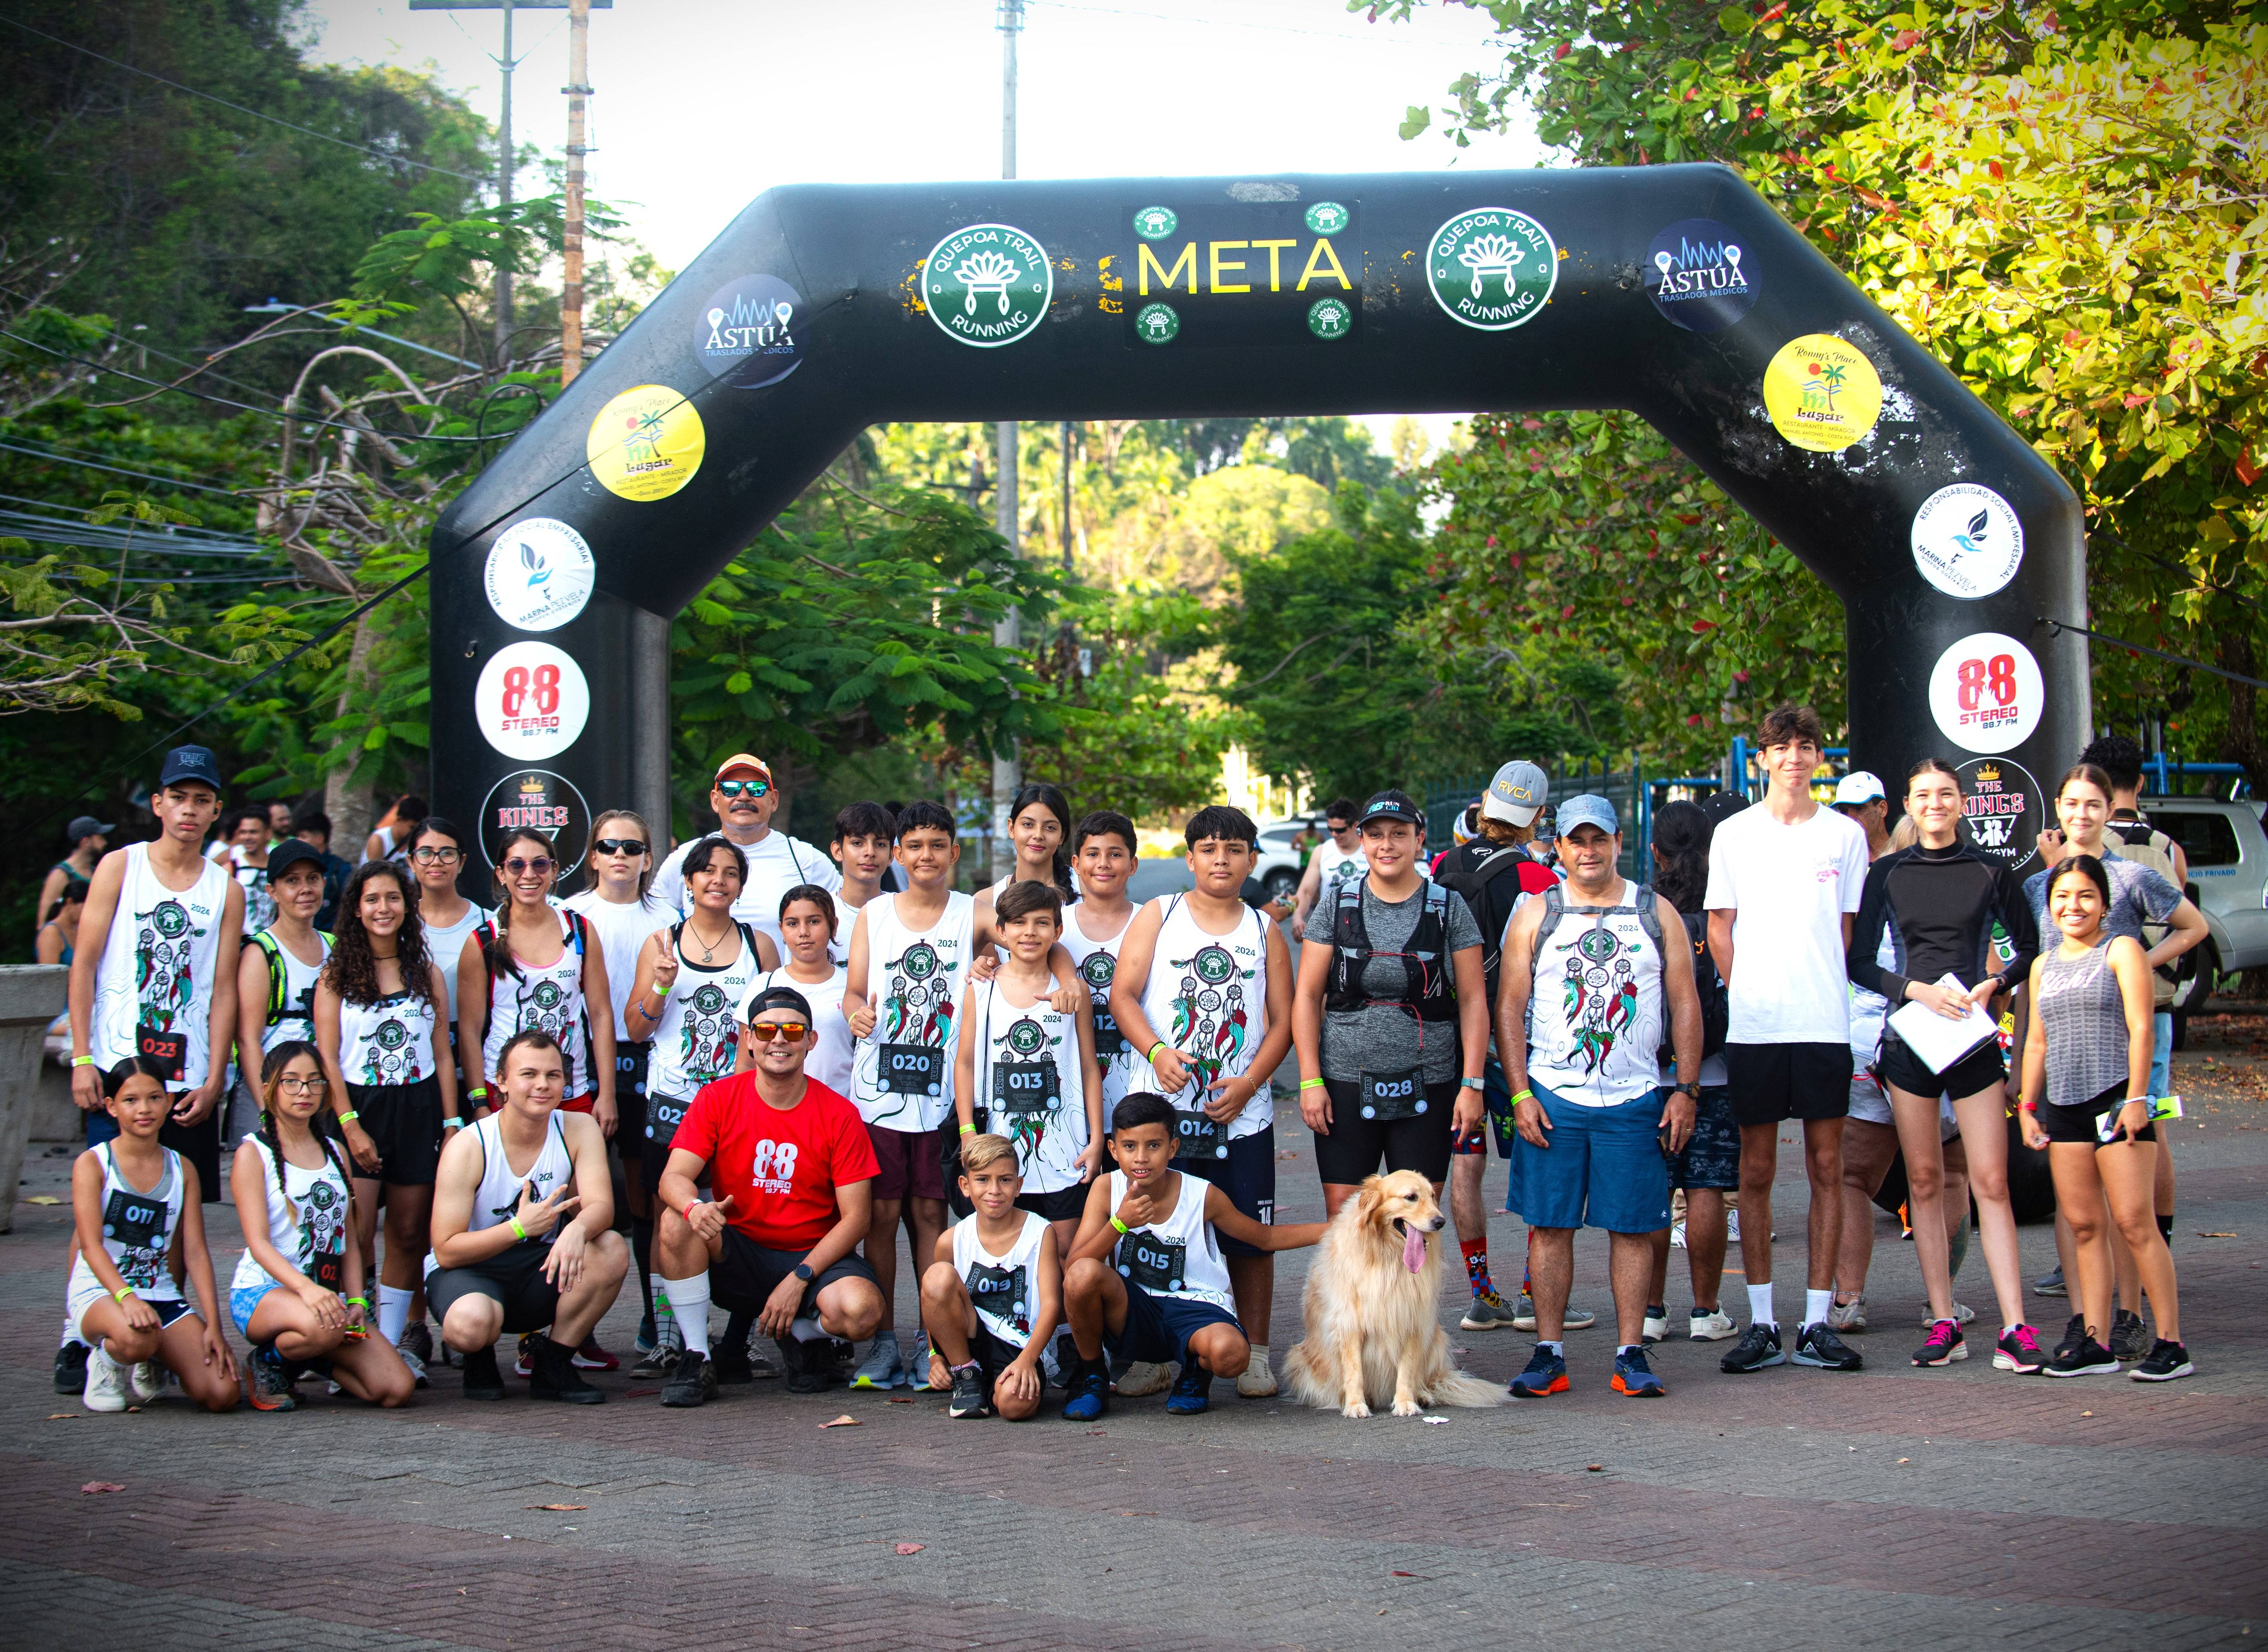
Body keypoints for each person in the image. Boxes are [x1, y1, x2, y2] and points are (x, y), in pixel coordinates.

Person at [840, 800, 1076, 1391]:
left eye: (938, 845)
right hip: (878, 1095)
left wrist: (1070, 979)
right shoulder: (874, 913)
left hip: (943, 1097)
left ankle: (933, 1342)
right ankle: (883, 1343)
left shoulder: (974, 910)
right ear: (898, 854)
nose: (926, 856)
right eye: (915, 846)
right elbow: (852, 991)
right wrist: (857, 1013)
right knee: (880, 1217)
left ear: (955, 851)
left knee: (930, 1215)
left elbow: (1039, 938)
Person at [1496, 795, 1700, 1400]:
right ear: (1558, 847)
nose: (1589, 852)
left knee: (1632, 1229)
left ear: (1618, 843)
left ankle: (1630, 1353)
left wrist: (1686, 1090)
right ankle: (1549, 1354)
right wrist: (1519, 1093)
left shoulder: (1655, 912)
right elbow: (1509, 1006)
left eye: (1599, 839)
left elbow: (1685, 1002)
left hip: (1636, 1098)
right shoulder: (1536, 914)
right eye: (1577, 841)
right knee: (1549, 1227)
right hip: (1553, 1096)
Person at [1847, 759, 2043, 1370]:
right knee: (1925, 1181)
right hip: (1911, 1040)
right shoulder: (1886, 873)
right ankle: (1944, 1321)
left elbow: (2031, 948)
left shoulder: (1991, 870)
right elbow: (1859, 963)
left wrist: (1993, 985)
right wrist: (1916, 992)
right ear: (1908, 804)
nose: (1935, 804)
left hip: (1973, 1041)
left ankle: (2016, 1327)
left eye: (1946, 794)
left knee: (1992, 1183)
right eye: (1924, 795)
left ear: (1962, 803)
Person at [1705, 704, 1871, 1375]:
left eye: (1806, 746)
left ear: (1819, 758)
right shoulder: (1734, 834)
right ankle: (1764, 1324)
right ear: (1763, 759)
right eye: (1783, 747)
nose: (1794, 757)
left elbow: (1847, 931)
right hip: (1757, 1027)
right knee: (1756, 1172)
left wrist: (1818, 985)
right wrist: (1747, 991)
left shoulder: (1846, 836)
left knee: (1828, 1168)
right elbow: (1719, 927)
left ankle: (1817, 1323)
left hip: (1824, 1023)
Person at [1110, 804, 1296, 1399]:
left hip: (1239, 1118)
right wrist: (1157, 1050)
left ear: (1251, 860)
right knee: (1153, 1230)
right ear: (1190, 858)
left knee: (1248, 1235)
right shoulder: (1159, 914)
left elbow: (1284, 1022)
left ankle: (1257, 1352)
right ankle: (1153, 1355)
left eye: (1234, 849)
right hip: (1162, 1118)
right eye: (1210, 849)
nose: (1222, 859)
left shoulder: (1264, 931)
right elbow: (1122, 995)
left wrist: (1249, 1084)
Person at [2026, 762, 2206, 1355]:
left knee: (2131, 1211)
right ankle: (2089, 1324)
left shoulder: (2131, 878)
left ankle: (2135, 1317)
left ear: (2110, 810)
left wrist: (2134, 970)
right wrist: (2025, 1091)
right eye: (2071, 803)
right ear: (2057, 808)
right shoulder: (2041, 885)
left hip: (2121, 1051)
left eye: (2093, 804)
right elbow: (2033, 982)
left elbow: (2193, 928)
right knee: (2080, 1213)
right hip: (2065, 1057)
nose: (2081, 814)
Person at [653, 985, 888, 1406]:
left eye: (793, 1031)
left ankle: (800, 1333)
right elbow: (673, 1178)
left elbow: (857, 1219)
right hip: (738, 1251)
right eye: (766, 1030)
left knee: (863, 1311)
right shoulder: (716, 1098)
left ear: (811, 1041)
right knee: (675, 1220)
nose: (779, 1039)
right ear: (748, 1039)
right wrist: (694, 1207)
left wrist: (800, 1278)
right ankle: (697, 1356)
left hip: (810, 1254)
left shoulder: (840, 1114)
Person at [1057, 1092, 1326, 1419]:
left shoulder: (1202, 1195)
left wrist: (1336, 1229)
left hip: (1195, 1308)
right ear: (1113, 1150)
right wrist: (1119, 1224)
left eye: (1153, 1146)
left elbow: (1264, 1237)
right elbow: (1075, 1268)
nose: (1141, 1158)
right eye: (1129, 1146)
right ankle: (1094, 1377)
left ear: (1173, 1148)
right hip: (1134, 1310)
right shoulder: (1106, 1188)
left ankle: (1196, 1373)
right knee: (1083, 1276)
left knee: (1231, 1355)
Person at [624, 835, 774, 1375]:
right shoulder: (661, 942)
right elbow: (636, 1028)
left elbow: (768, 1030)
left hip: (736, 1106)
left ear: (741, 885)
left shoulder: (760, 946)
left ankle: (741, 1337)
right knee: (670, 1214)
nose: (718, 880)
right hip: (673, 1103)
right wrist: (661, 986)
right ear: (688, 881)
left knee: (742, 1213)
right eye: (707, 871)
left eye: (730, 872)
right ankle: (669, 1336)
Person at [1293, 791, 1488, 1207]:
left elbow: (1474, 1000)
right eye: (1376, 835)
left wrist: (1472, 1085)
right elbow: (1307, 997)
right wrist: (1310, 1080)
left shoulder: (1448, 907)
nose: (1387, 845)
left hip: (1428, 1083)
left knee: (1417, 1221)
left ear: (1419, 840)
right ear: (1362, 841)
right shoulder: (1337, 904)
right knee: (1347, 1222)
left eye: (1399, 834)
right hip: (1344, 1083)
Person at [313, 857, 458, 1384]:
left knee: (407, 1231)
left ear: (408, 906)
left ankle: (395, 1345)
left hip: (418, 1109)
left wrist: (451, 1123)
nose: (383, 908)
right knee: (354, 1232)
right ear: (356, 908)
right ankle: (350, 1342)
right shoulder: (335, 975)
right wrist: (350, 1124)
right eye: (372, 899)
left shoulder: (427, 973)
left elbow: (442, 1053)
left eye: (393, 898)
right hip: (359, 1108)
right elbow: (328, 1058)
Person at [68, 744, 242, 1182]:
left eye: (202, 800)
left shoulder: (227, 889)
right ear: (158, 804)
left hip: (188, 1078)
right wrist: (82, 1059)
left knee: (184, 1207)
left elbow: (224, 989)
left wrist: (215, 1080)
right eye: (179, 798)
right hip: (117, 1066)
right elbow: (84, 965)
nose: (189, 810)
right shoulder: (119, 866)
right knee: (108, 1198)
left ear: (216, 810)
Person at [426, 1029, 630, 1402]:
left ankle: (554, 1363)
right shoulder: (469, 1145)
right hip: (472, 1270)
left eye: (553, 1075)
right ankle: (478, 1357)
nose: (542, 1085)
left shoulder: (579, 1128)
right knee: (472, 1324)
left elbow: (602, 1207)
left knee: (611, 1247)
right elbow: (446, 1251)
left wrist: (576, 1230)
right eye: (529, 1074)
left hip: (540, 1266)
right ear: (501, 1082)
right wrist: (518, 1228)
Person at [953, 879, 1104, 1381]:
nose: (1030, 932)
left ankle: (1074, 1353)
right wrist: (968, 1130)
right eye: (1018, 923)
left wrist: (1096, 1139)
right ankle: (1016, 1351)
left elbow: (1088, 1067)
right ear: (1000, 931)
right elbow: (966, 1062)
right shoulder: (981, 988)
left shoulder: (1071, 993)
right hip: (1003, 1153)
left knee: (1063, 1255)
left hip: (1062, 1151)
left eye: (1042, 923)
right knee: (1010, 1254)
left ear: (1058, 931)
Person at [1432, 759, 1559, 1332]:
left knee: (1466, 1162)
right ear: (1537, 816)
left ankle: (1483, 1295)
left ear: (1486, 805)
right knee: (1536, 1158)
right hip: (1515, 1042)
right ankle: (1536, 1295)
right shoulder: (1539, 879)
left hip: (1453, 1037)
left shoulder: (1443, 866)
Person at [229, 1041, 415, 1410]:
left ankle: (309, 1356)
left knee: (396, 1388)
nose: (305, 1091)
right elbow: (259, 1244)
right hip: (262, 1293)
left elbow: (346, 1240)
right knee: (322, 1326)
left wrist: (357, 1299)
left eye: (315, 1082)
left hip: (325, 1303)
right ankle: (267, 1362)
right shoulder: (253, 1154)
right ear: (268, 1088)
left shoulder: (335, 1150)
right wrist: (308, 1291)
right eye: (292, 1082)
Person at [68, 1054, 237, 1413]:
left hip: (159, 1293)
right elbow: (91, 1246)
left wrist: (213, 1325)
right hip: (103, 1293)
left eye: (154, 1098)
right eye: (131, 1100)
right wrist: (127, 1297)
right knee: (136, 1338)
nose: (144, 1109)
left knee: (222, 1393)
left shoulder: (183, 1168)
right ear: (111, 1107)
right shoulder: (93, 1164)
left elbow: (195, 1252)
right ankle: (106, 1361)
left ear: (169, 1100)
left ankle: (157, 1357)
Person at [562, 809, 671, 1360]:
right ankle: (567, 1327)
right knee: (573, 1196)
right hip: (580, 1061)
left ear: (648, 859)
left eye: (632, 847)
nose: (620, 855)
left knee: (645, 1195)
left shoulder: (670, 917)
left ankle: (656, 1320)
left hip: (648, 1060)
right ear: (592, 856)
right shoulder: (569, 914)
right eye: (609, 846)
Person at [2082, 733, 2190, 1255]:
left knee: (2095, 1131)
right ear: (2141, 782)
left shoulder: (2085, 847)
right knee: (2155, 1123)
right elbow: (2183, 919)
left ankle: (2107, 1248)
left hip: (2099, 1007)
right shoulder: (2168, 848)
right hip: (2157, 1006)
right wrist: (2144, 966)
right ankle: (2156, 1240)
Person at [1641, 799, 1741, 1345]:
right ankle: (1706, 1309)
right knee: (1706, 1188)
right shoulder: (1725, 910)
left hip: (1649, 1074)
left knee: (1655, 1191)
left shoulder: (1645, 912)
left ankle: (1651, 1311)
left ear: (1655, 851)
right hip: (1715, 1073)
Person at [460, 826, 617, 1130]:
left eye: (540, 864)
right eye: (516, 865)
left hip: (571, 1089)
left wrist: (607, 1094)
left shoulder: (581, 930)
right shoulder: (482, 942)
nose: (529, 874)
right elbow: (469, 1029)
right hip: (505, 1093)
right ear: (501, 874)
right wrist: (479, 1102)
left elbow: (600, 1014)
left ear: (555, 871)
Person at [920, 1132, 1060, 1419]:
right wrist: (934, 1357)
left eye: (1005, 1180)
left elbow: (1052, 1305)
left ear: (1018, 1186)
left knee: (1015, 1406)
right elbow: (934, 1304)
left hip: (1019, 1344)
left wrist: (1028, 1360)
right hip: (971, 1337)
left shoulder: (1040, 1233)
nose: (994, 1190)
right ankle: (967, 1376)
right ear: (965, 1185)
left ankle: (995, 1390)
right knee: (936, 1277)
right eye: (983, 1180)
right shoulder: (952, 1240)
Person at [650, 754, 841, 956]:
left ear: (774, 800)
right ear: (715, 800)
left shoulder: (806, 859)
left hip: (783, 977)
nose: (743, 797)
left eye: (756, 789)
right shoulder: (687, 857)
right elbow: (653, 921)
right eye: (731, 788)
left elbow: (846, 916)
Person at [229, 839, 333, 1150]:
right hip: (270, 1093)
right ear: (272, 891)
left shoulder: (336, 948)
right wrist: (269, 1111)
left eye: (312, 879)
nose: (305, 890)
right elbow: (247, 1040)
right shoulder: (260, 953)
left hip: (322, 1094)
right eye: (292, 881)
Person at [1062, 810, 1144, 1115]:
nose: (1104, 864)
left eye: (1115, 854)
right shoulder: (1053, 925)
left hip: (1138, 1088)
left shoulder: (1152, 922)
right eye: (1093, 854)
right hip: (1070, 1095)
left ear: (1133, 865)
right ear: (1076, 864)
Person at [400, 817, 487, 1091]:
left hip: (478, 1065)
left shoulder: (487, 924)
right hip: (414, 1068)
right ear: (411, 861)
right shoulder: (396, 926)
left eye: (447, 853)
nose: (436, 862)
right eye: (426, 853)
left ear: (461, 862)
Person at [974, 782, 1077, 944]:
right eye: (1028, 825)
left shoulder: (1086, 890)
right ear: (1011, 828)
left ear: (1062, 836)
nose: (1038, 835)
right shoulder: (985, 902)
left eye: (1050, 827)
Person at [830, 799, 902, 950]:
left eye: (880, 844)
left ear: (891, 855)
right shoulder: (820, 914)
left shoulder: (904, 913)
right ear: (838, 851)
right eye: (858, 843)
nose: (870, 852)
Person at [1289, 797, 1364, 940]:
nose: (1334, 834)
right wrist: (1297, 917)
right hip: (1329, 927)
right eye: (1331, 829)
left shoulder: (1369, 851)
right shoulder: (1322, 851)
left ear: (1355, 825)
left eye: (1340, 830)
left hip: (1362, 928)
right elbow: (1306, 891)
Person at [34, 813, 111, 941]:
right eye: (100, 838)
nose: (105, 843)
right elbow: (43, 924)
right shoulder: (61, 875)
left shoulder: (97, 873)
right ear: (86, 842)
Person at [289, 811, 356, 934]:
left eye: (303, 836)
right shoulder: (292, 867)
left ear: (320, 838)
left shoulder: (340, 869)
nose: (298, 841)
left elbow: (350, 906)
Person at [1832, 770, 1893, 859]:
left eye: (1859, 809)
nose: (1850, 818)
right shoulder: (1837, 858)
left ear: (1882, 809)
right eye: (1844, 811)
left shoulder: (1905, 856)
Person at [36, 873, 87, 966]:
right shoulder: (51, 932)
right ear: (70, 902)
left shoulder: (79, 930)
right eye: (84, 908)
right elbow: (49, 973)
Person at [363, 794, 426, 866]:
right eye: (412, 828)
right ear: (399, 819)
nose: (415, 833)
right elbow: (375, 872)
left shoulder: (416, 843)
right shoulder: (379, 839)